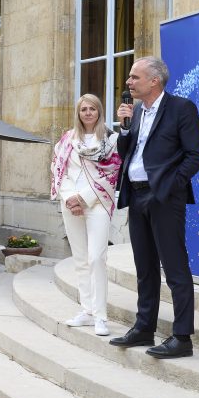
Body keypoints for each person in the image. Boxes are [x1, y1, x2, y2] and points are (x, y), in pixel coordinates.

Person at [111, 56, 199, 359]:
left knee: (175, 268)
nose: (129, 83)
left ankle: (182, 337)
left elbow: (196, 155)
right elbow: (128, 153)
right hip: (136, 196)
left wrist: (169, 185)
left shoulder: (181, 108)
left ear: (154, 80)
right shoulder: (136, 112)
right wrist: (124, 128)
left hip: (164, 197)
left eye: (134, 77)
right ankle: (144, 326)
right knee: (144, 267)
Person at [50, 94, 122, 336]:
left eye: (92, 109)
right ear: (78, 113)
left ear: (99, 111)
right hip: (70, 203)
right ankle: (87, 311)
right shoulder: (67, 139)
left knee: (96, 258)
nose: (88, 113)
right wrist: (71, 198)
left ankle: (101, 316)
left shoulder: (110, 139)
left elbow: (112, 173)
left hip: (97, 202)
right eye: (83, 109)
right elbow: (58, 170)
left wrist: (83, 197)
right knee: (80, 259)